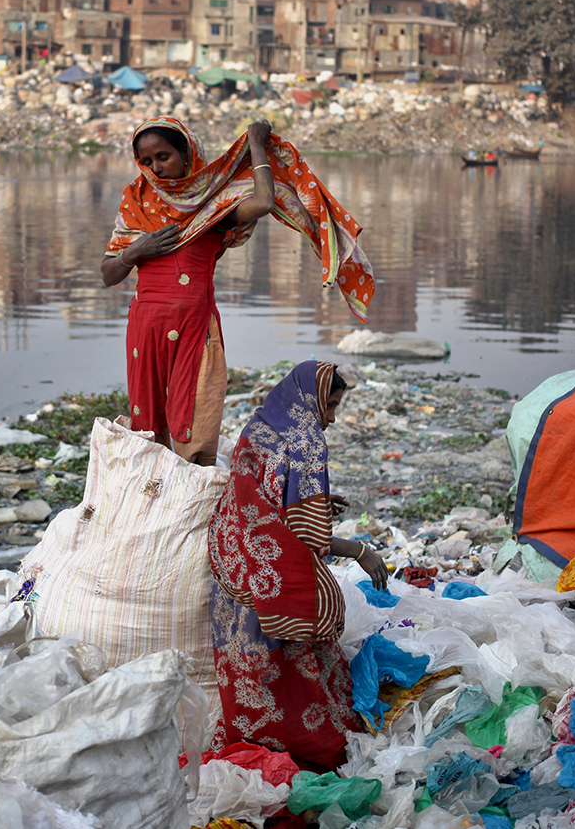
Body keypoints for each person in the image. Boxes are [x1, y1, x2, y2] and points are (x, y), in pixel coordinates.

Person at [101, 117, 375, 467]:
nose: (156, 168)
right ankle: (150, 500)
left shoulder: (212, 205)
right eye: (146, 161)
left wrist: (256, 145)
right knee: (147, 425)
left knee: (194, 417)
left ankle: (190, 503)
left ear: (188, 154)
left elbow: (262, 201)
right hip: (145, 326)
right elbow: (109, 274)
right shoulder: (136, 201)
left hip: (195, 327)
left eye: (164, 156)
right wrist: (137, 251)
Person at [208, 360, 388, 770]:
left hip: (237, 566)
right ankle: (306, 750)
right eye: (329, 406)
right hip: (274, 577)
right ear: (310, 399)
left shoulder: (260, 425)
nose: (332, 419)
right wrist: (361, 552)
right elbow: (309, 538)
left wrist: (320, 502)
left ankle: (247, 739)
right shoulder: (307, 440)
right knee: (294, 672)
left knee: (247, 666)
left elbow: (265, 492)